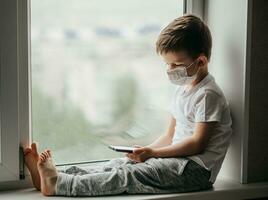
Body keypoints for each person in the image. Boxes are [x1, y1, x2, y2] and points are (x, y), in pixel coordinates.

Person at [24, 14, 232, 197]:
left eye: (176, 64)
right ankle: (53, 178)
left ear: (201, 61)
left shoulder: (208, 95)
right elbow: (169, 137)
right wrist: (145, 150)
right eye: (167, 64)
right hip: (177, 162)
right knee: (121, 164)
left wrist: (152, 153)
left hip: (195, 170)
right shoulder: (183, 89)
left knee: (127, 176)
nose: (170, 69)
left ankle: (58, 184)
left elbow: (197, 144)